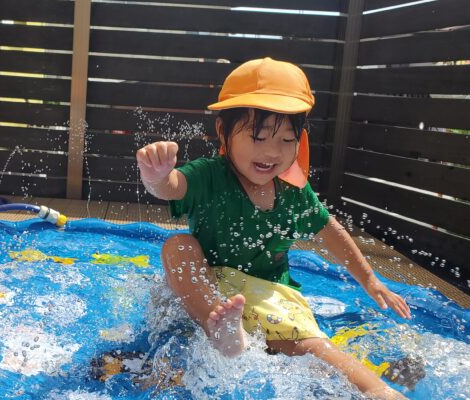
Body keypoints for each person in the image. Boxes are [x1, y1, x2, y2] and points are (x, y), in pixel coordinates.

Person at [136, 58, 412, 399]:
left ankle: (378, 392)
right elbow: (172, 187)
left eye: (285, 139)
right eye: (259, 136)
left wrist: (369, 280)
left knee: (311, 348)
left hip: (267, 295)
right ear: (224, 131)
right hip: (208, 292)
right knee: (177, 244)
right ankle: (218, 327)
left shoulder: (294, 191)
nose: (271, 151)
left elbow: (330, 231)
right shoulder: (210, 174)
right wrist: (157, 175)